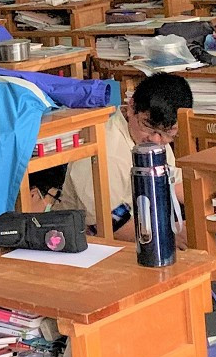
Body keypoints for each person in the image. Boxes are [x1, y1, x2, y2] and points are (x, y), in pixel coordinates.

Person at [50, 73, 193, 242]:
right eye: (148, 126)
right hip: (86, 239)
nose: (156, 139)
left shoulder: (153, 140)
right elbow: (109, 225)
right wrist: (169, 236)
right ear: (131, 107)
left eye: (168, 134)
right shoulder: (104, 148)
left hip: (140, 226)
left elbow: (174, 183)